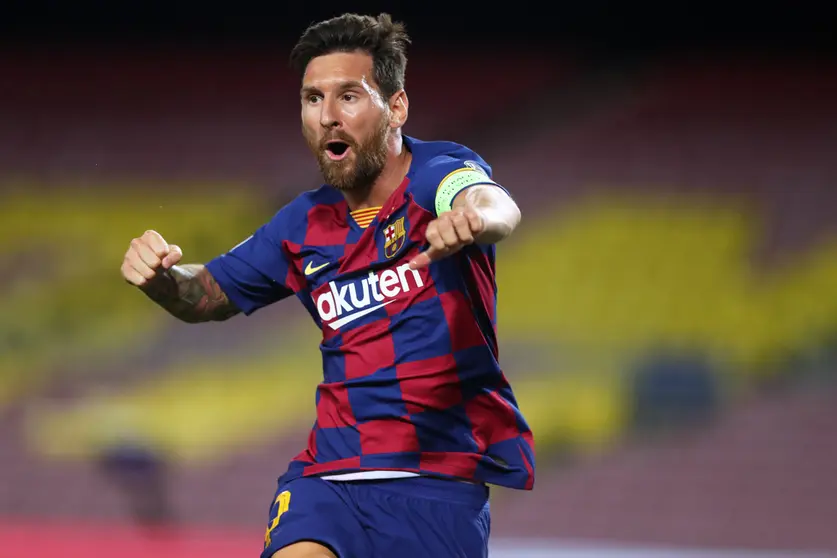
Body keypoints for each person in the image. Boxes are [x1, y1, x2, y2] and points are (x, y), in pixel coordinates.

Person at [120, 12, 534, 558]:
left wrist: (475, 219)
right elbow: (207, 295)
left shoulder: (439, 174)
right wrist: (163, 278)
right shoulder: (300, 224)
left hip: (439, 482)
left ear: (397, 107)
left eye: (349, 97)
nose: (328, 117)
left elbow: (493, 201)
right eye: (313, 99)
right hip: (329, 478)